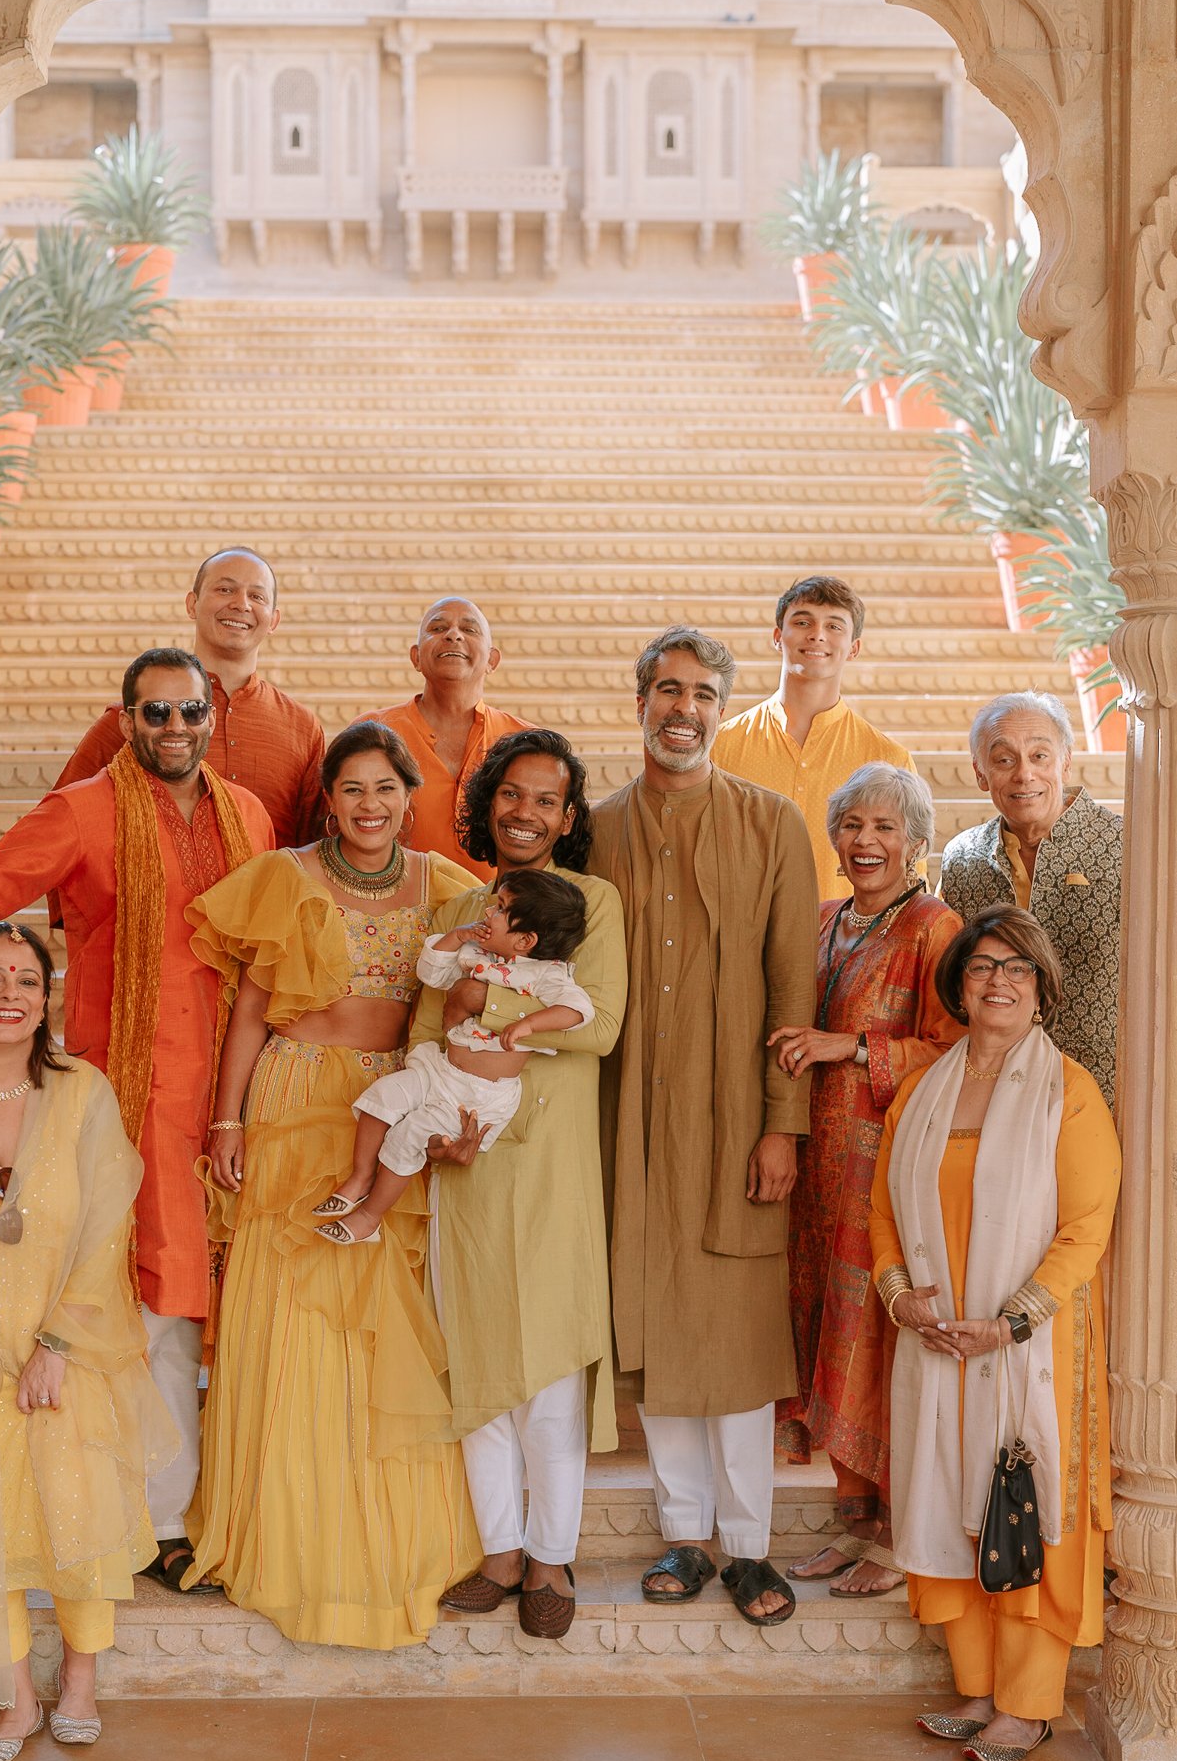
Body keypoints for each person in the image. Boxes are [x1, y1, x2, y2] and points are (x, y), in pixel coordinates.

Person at [0, 649, 275, 1591]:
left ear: (209, 719)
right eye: (154, 714)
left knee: (216, 1314)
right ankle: (137, 1518)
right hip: (123, 1101)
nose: (175, 728)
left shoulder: (252, 816)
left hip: (239, 1099)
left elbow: (278, 947)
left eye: (190, 711)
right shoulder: (82, 812)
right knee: (141, 1310)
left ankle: (199, 1508)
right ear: (125, 721)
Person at [184, 721, 482, 1647]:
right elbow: (248, 1013)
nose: (369, 806)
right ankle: (277, 1528)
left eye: (384, 789)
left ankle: (381, 1533)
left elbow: (496, 990)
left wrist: (461, 1106)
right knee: (288, 1317)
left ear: (407, 796)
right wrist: (227, 1120)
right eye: (351, 790)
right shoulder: (284, 878)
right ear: (328, 798)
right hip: (290, 1099)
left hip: (391, 1107)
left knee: (375, 1316)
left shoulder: (447, 888)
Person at [0, 923, 175, 1761]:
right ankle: (16, 1699)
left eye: (26, 979)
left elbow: (106, 1222)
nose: (9, 993)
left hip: (68, 1353)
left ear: (45, 1000)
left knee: (78, 1515)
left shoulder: (83, 1093)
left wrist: (62, 1342)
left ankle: (80, 1684)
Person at [590, 626, 817, 1626]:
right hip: (628, 1119)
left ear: (725, 711)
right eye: (667, 691)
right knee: (658, 1328)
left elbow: (791, 984)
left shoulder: (772, 825)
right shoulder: (596, 830)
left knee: (732, 1331)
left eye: (704, 695)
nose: (684, 709)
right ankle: (684, 1535)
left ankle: (751, 1548)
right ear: (639, 703)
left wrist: (784, 1126)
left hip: (735, 1122)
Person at [870, 907, 1119, 1761]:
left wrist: (1010, 1321)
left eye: (1016, 968)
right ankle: (975, 1692)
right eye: (981, 968)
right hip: (936, 1343)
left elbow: (1085, 1229)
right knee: (948, 1500)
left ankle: (1027, 1704)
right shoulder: (921, 1090)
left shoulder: (1069, 1091)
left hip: (1029, 1348)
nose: (998, 981)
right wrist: (901, 1299)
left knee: (1021, 1503)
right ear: (959, 986)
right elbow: (880, 1218)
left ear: (1041, 986)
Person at [410, 729, 626, 1640]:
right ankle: (499, 1552)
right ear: (486, 803)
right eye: (511, 794)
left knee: (547, 1371)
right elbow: (428, 1024)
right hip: (466, 1153)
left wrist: (482, 1010)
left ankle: (550, 1555)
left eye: (545, 800)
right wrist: (437, 1126)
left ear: (568, 818)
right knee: (480, 1358)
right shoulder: (458, 909)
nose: (525, 812)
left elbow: (600, 1025)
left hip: (550, 1165)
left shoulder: (596, 904)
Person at [768, 764, 963, 1596]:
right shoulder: (818, 922)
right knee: (823, 1323)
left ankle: (894, 1533)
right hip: (814, 1168)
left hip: (884, 1166)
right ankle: (851, 1525)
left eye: (885, 827)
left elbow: (955, 1043)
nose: (866, 842)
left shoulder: (932, 926)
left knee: (874, 1333)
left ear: (916, 841)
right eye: (851, 825)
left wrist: (846, 1047)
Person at [317, 869, 593, 1245]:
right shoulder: (475, 953)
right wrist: (456, 936)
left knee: (408, 1135)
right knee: (380, 1098)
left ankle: (369, 1218)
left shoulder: (547, 976)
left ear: (527, 940)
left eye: (500, 909)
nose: (488, 912)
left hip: (477, 1097)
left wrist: (529, 1024)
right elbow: (430, 973)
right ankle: (360, 1177)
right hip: (439, 1069)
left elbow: (579, 1011)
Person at [54, 547, 326, 850]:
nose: (241, 604)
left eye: (257, 596)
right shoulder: (137, 719)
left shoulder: (301, 728)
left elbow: (317, 848)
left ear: (273, 620)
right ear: (192, 604)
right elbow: (59, 833)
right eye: (225, 589)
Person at [938, 691, 1123, 1107]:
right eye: (1004, 760)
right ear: (980, 772)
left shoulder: (1127, 846)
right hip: (994, 1096)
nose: (1024, 775)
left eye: (1040, 756)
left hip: (1107, 1092)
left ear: (1066, 760)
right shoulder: (962, 859)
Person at [711, 575, 917, 899]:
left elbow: (910, 879)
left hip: (846, 944)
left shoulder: (889, 760)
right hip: (740, 942)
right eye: (803, 621)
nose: (817, 635)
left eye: (834, 626)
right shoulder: (720, 746)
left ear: (854, 648)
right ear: (778, 637)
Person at [356, 597, 532, 880]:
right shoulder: (373, 731)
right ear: (415, 657)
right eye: (437, 628)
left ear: (492, 660)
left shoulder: (526, 742)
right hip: (392, 914)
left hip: (496, 916)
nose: (453, 634)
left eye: (469, 629)